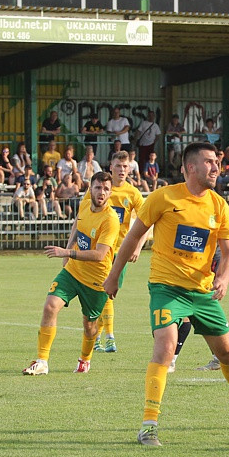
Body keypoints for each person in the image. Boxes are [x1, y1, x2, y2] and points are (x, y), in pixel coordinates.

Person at [104, 141, 229, 446]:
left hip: (203, 292)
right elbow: (133, 236)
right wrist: (114, 276)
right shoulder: (164, 197)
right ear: (191, 167)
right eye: (209, 162)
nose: (216, 167)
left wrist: (224, 278)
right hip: (166, 288)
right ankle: (149, 425)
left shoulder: (219, 206)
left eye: (217, 162)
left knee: (227, 353)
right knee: (166, 346)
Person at [22, 171, 120, 376]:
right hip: (73, 271)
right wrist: (68, 250)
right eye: (98, 188)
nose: (101, 192)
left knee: (89, 325)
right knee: (50, 306)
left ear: (111, 193)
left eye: (106, 189)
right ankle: (42, 361)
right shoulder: (85, 205)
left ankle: (85, 360)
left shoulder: (110, 219)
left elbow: (100, 255)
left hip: (96, 280)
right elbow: (77, 223)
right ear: (90, 189)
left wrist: (67, 252)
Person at [86, 150, 146, 354]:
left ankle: (97, 337)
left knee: (108, 295)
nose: (122, 170)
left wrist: (138, 246)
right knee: (103, 294)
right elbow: (82, 217)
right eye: (118, 166)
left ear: (130, 169)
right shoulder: (100, 188)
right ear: (110, 167)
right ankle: (107, 337)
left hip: (120, 252)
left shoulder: (133, 194)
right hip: (100, 251)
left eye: (125, 166)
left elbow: (147, 221)